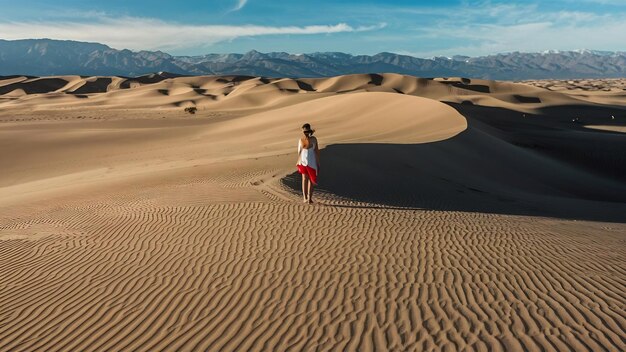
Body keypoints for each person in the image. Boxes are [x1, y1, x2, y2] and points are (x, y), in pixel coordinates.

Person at [296, 123, 320, 203]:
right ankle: (305, 197)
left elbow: (316, 151)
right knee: (304, 179)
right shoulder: (301, 140)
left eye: (306, 131)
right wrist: (298, 162)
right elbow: (299, 152)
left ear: (309, 131)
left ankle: (309, 198)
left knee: (311, 180)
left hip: (312, 162)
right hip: (303, 162)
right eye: (304, 132)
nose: (305, 133)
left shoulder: (314, 139)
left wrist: (318, 163)